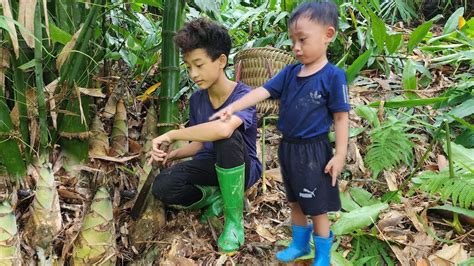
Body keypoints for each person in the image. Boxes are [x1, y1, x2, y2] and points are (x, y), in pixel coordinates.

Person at [210, 2, 349, 265]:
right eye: (293, 40)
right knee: (295, 200)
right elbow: (261, 92)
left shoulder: (333, 76)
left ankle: (322, 255)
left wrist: (340, 154)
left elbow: (341, 117)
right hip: (289, 148)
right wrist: (232, 106)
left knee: (317, 207)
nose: (296, 47)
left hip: (314, 150)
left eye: (303, 40)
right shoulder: (290, 72)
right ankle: (298, 244)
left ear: (328, 35)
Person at [148, 18, 262, 254]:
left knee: (226, 138)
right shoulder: (197, 100)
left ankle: (233, 221)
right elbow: (201, 144)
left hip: (242, 166)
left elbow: (221, 130)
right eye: (189, 67)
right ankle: (215, 197)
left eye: (199, 65)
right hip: (210, 164)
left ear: (221, 60)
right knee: (163, 186)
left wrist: (172, 134)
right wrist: (174, 154)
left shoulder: (245, 95)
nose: (193, 73)